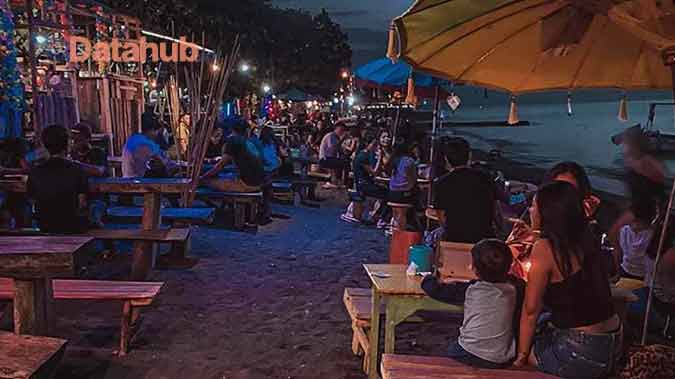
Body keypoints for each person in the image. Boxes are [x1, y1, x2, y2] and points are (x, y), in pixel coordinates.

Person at [514, 182, 622, 379]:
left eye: (534, 206)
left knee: (522, 340)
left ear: (547, 214)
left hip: (581, 352)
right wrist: (535, 234)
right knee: (545, 323)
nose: (530, 210)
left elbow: (530, 310)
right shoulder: (587, 235)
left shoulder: (544, 249)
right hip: (613, 343)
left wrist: (522, 357)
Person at [422, 239, 525, 369]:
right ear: (510, 266)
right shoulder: (516, 288)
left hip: (469, 353)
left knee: (441, 350)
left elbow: (434, 289)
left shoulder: (472, 289)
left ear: (475, 269)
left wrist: (429, 277)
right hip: (502, 357)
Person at [431, 137, 497, 243]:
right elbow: (494, 208)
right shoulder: (485, 177)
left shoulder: (441, 183)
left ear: (446, 159)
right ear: (469, 156)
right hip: (484, 237)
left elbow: (442, 218)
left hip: (454, 237)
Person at [27, 125, 89, 234]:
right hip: (72, 227)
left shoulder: (35, 171)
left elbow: (32, 200)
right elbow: (82, 204)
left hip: (44, 226)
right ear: (67, 144)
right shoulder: (77, 170)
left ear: (45, 146)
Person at [200, 119, 264, 193]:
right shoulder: (248, 141)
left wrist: (203, 177)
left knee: (207, 182)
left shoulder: (233, 141)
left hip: (247, 184)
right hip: (259, 182)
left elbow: (220, 166)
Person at [70, 122, 108, 228]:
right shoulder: (72, 154)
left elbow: (99, 171)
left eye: (78, 140)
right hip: (77, 197)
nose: (74, 143)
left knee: (94, 210)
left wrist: (74, 164)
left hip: (96, 196)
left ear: (87, 139)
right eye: (72, 140)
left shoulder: (97, 152)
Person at [122, 113, 175, 178]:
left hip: (130, 178)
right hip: (136, 182)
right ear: (152, 130)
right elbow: (164, 162)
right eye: (157, 132)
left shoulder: (134, 138)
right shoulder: (144, 144)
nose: (156, 135)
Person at [387, 141, 418, 230]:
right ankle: (401, 229)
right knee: (402, 213)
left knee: (396, 212)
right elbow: (413, 178)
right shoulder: (410, 161)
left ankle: (394, 226)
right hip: (403, 192)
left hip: (392, 192)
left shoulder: (393, 160)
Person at [0, 137, 31, 228]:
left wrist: (5, 170)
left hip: (17, 193)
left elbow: (26, 171)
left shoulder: (18, 158)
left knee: (18, 213)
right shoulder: (9, 158)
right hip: (13, 192)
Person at [318, 123, 348, 189]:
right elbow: (333, 148)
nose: (342, 132)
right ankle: (337, 182)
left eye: (343, 130)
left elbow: (339, 150)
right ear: (336, 129)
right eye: (341, 130)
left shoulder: (336, 138)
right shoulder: (330, 135)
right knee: (343, 164)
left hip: (331, 158)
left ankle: (337, 181)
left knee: (345, 162)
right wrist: (342, 140)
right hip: (325, 159)